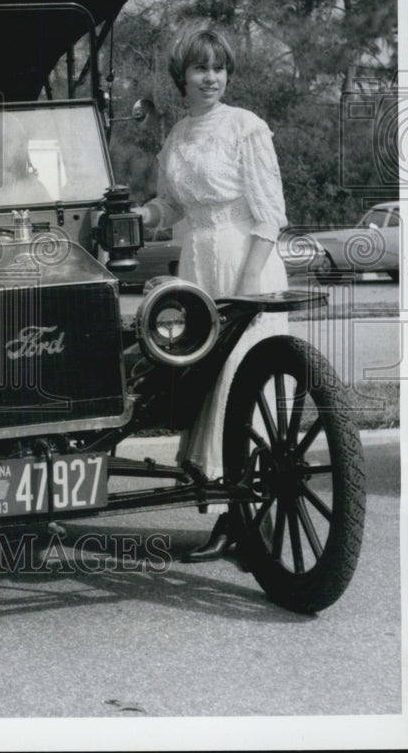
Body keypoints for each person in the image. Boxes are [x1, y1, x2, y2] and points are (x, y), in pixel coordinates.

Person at [135, 27, 288, 562]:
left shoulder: (246, 127)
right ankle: (233, 514)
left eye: (219, 68)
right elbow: (172, 205)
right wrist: (142, 215)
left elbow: (270, 214)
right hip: (198, 266)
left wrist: (248, 290)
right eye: (201, 69)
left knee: (240, 383)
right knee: (207, 381)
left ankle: (245, 523)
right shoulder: (178, 133)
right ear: (183, 76)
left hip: (245, 263)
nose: (211, 78)